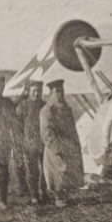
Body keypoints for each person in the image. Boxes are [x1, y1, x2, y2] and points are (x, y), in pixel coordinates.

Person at [40, 79, 84, 207]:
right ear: (51, 93)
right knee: (57, 171)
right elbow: (46, 131)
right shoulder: (46, 111)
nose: (60, 94)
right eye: (57, 92)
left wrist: (74, 143)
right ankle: (58, 197)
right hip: (55, 146)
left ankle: (65, 194)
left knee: (68, 170)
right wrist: (56, 147)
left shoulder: (66, 108)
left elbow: (72, 128)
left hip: (68, 143)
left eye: (61, 91)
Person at [16, 80, 48, 204]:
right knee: (32, 170)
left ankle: (44, 192)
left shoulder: (45, 106)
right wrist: (21, 141)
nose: (36, 93)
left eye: (39, 91)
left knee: (45, 169)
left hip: (44, 142)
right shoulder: (22, 106)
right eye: (34, 90)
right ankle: (34, 195)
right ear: (28, 91)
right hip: (29, 142)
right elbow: (18, 126)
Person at [0, 76, 18, 210]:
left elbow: (13, 119)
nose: (0, 88)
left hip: (3, 141)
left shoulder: (7, 103)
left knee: (4, 172)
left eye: (2, 86)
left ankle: (2, 200)